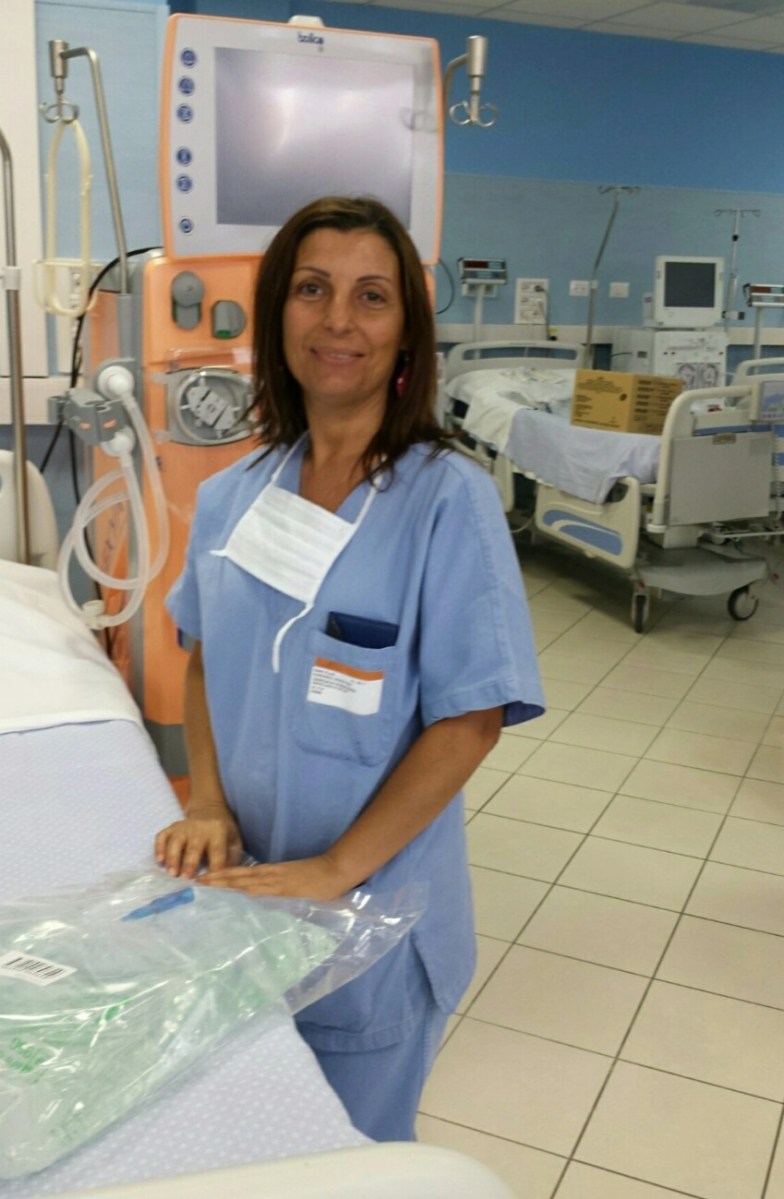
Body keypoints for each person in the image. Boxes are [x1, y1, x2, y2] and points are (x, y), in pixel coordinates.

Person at [155, 194, 544, 1141]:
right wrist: (207, 803)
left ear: (406, 330)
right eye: (312, 289)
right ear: (278, 313)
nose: (338, 320)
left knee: (346, 1159)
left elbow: (470, 720)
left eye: (371, 296)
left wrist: (334, 870)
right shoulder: (234, 495)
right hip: (244, 896)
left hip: (370, 918)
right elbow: (206, 659)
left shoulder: (446, 503)